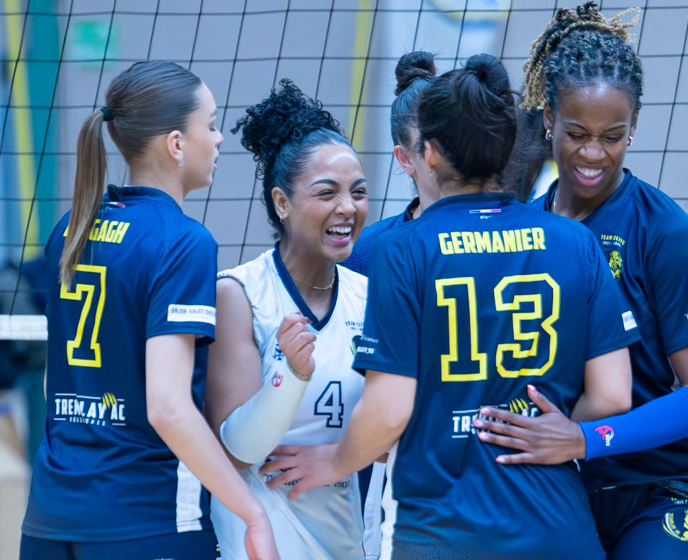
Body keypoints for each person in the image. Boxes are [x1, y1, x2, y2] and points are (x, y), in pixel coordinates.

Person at [261, 53, 636, 560]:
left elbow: (390, 410)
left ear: (429, 152)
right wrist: (546, 430)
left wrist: (335, 462)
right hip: (557, 529)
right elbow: (613, 396)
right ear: (509, 149)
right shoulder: (575, 242)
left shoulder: (404, 249)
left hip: (440, 534)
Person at [476, 4, 688, 558]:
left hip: (666, 487)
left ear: (634, 127)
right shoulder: (523, 228)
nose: (593, 153)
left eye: (613, 136)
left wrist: (586, 439)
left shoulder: (667, 234)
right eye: (575, 133)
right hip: (562, 480)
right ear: (547, 118)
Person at [20, 61, 278, 560]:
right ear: (176, 144)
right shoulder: (182, 241)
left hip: (50, 518)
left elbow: (59, 384)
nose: (220, 138)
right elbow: (167, 407)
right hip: (147, 520)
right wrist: (251, 511)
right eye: (211, 124)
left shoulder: (71, 228)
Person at [203, 79, 371, 560]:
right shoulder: (239, 293)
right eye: (327, 193)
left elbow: (393, 434)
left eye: (358, 192)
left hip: (346, 538)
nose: (347, 208)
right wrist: (289, 376)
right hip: (261, 541)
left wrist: (339, 459)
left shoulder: (370, 297)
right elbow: (237, 451)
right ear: (282, 203)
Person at [340, 51, 439, 276]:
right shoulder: (363, 252)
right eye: (431, 143)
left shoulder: (503, 235)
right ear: (405, 158)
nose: (449, 152)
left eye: (455, 136)